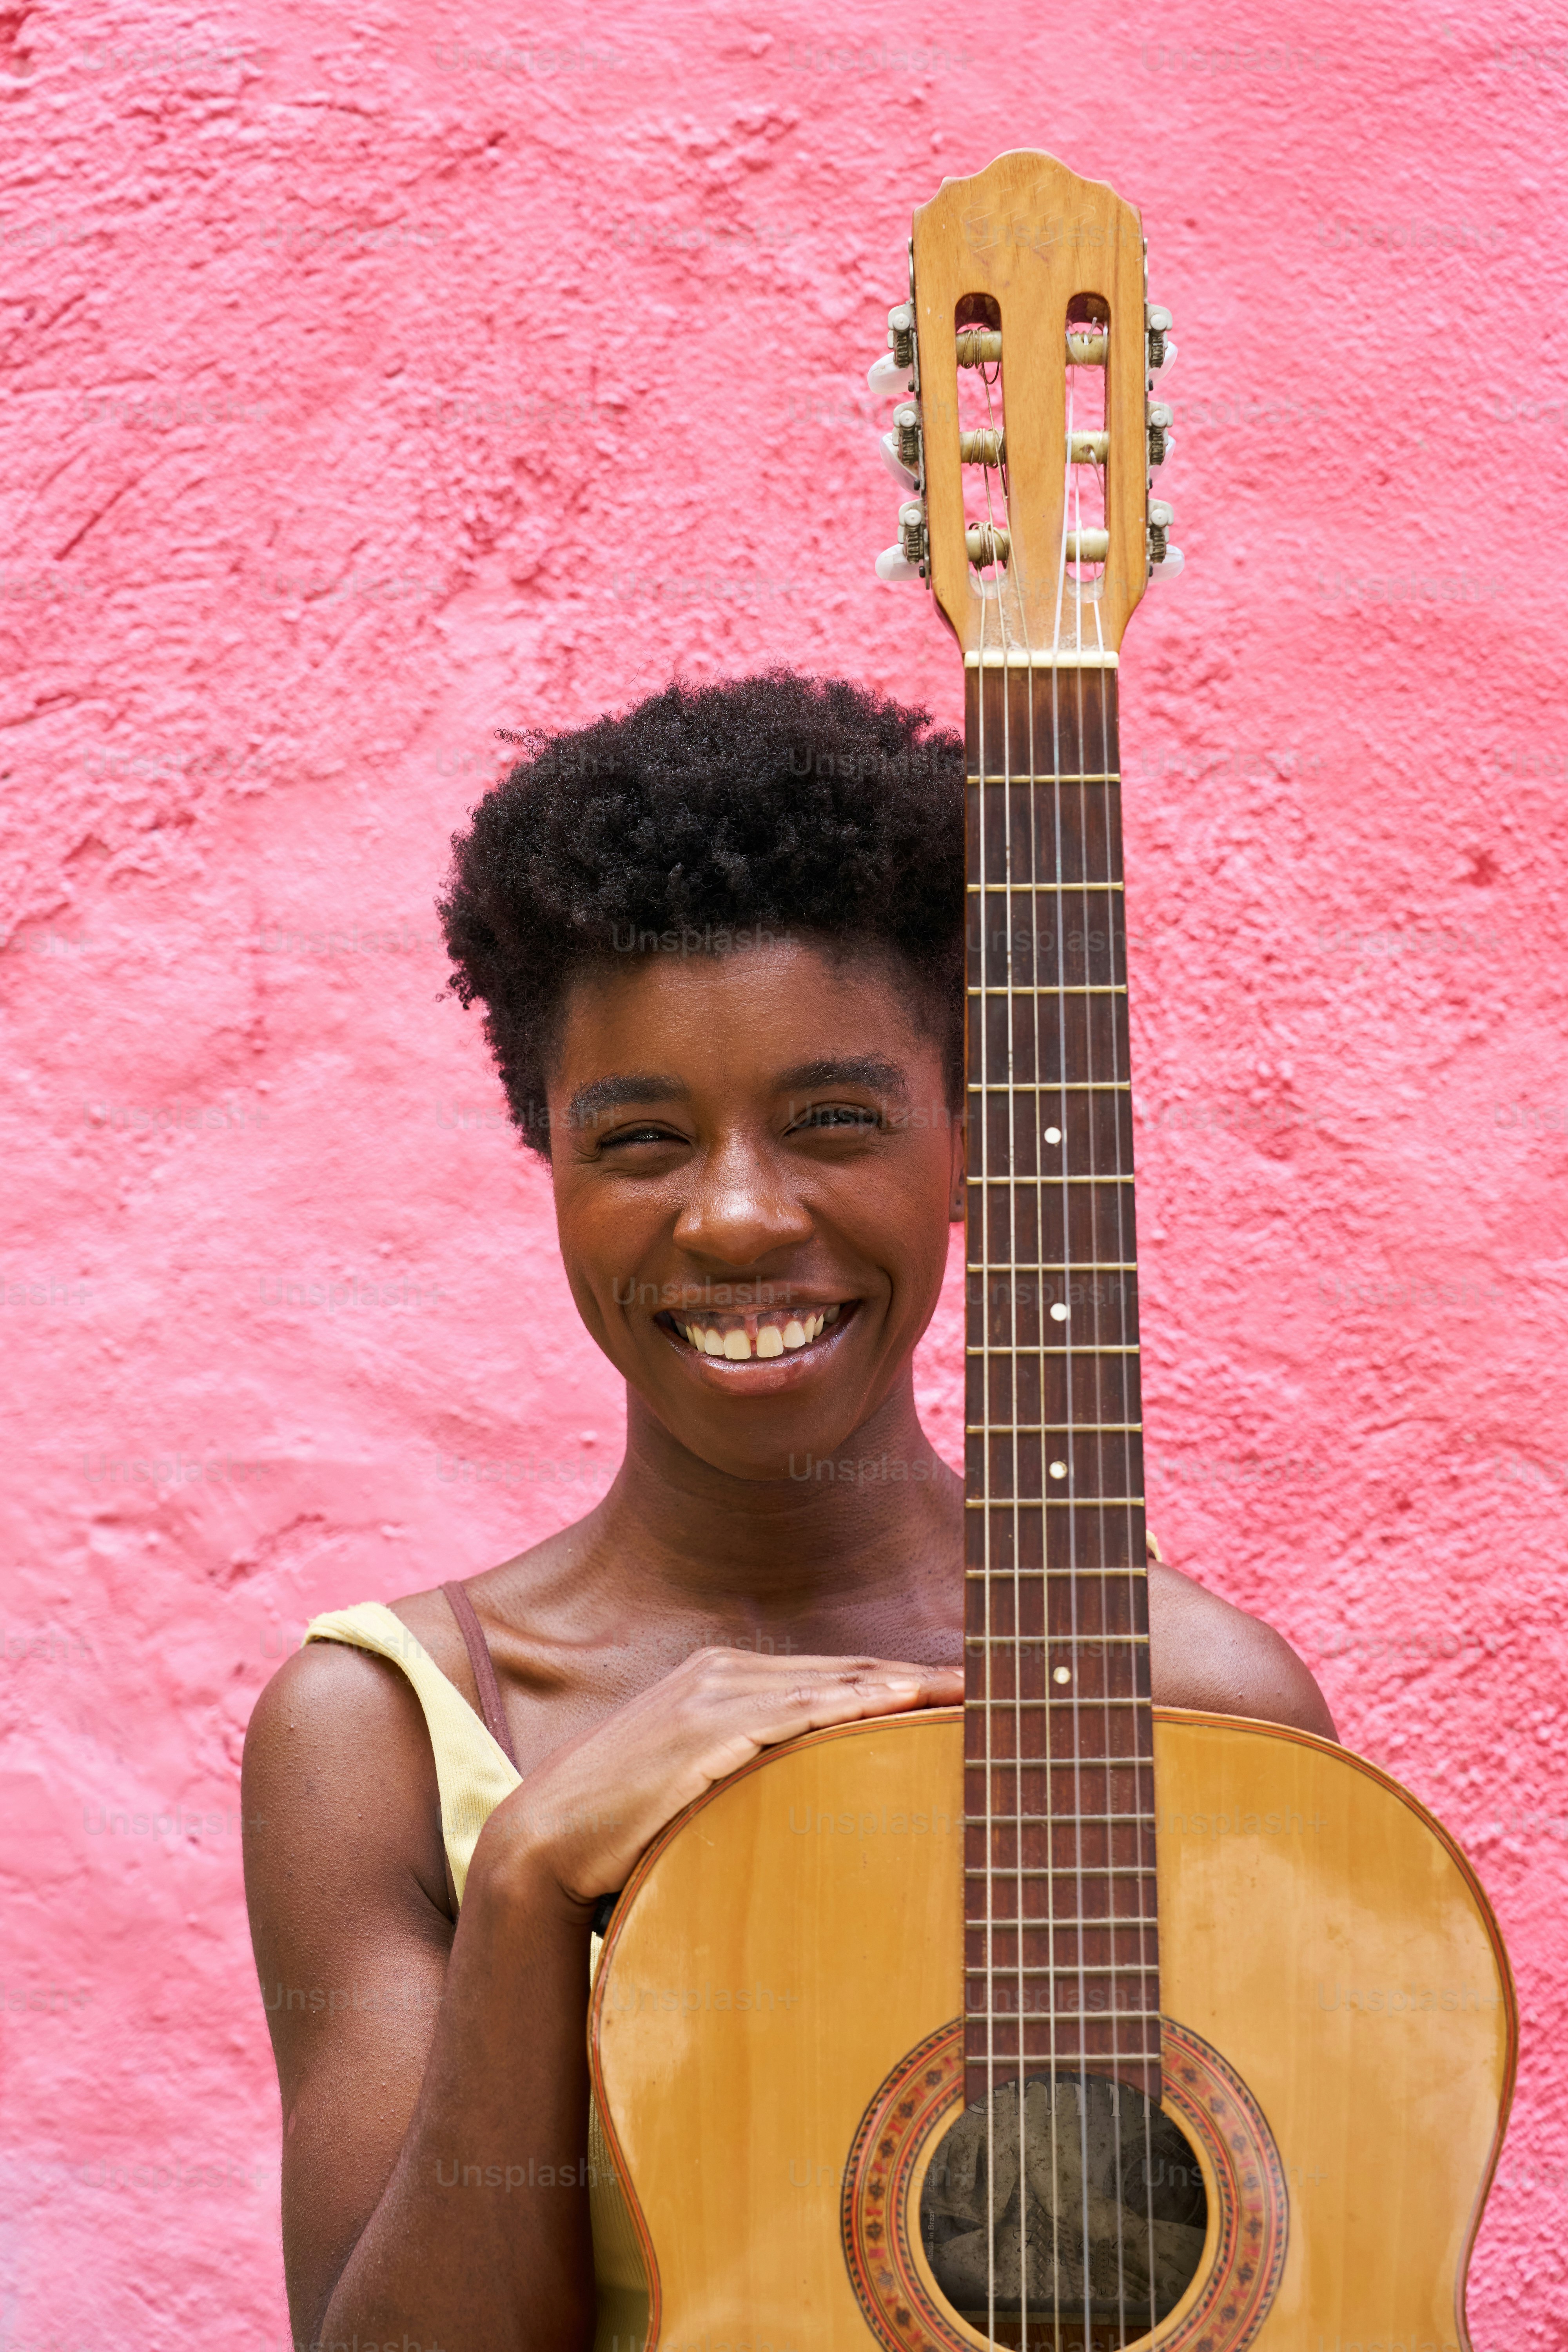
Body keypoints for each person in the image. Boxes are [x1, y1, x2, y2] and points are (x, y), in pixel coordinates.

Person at [242, 670, 1334, 2352]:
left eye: (832, 1121)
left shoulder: (1200, 1708)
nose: (738, 1218)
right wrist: (536, 1879)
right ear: (549, 1167)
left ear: (976, 1141)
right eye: (642, 1141)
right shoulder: (395, 1731)